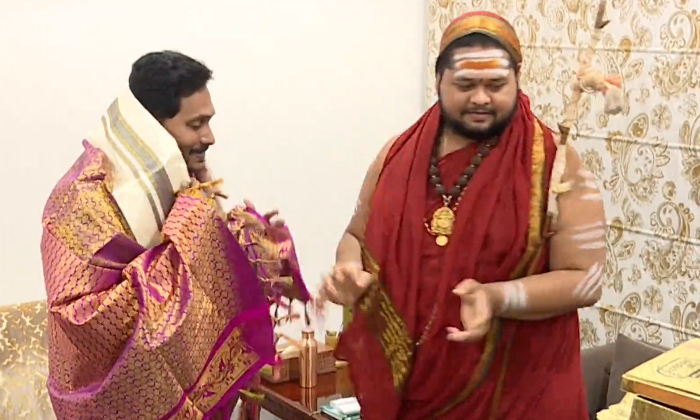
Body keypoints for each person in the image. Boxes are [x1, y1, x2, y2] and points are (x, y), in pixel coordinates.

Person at [320, 11, 606, 420]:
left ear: (518, 78)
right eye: (465, 85)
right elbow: (356, 237)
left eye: (496, 85)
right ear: (439, 80)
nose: (481, 99)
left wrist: (497, 297)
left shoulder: (555, 164)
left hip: (519, 393)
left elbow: (586, 280)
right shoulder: (397, 155)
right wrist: (348, 268)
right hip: (416, 391)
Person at [41, 51, 309, 420]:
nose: (209, 137)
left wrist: (251, 244)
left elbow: (212, 280)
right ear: (151, 129)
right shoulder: (79, 201)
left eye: (209, 122)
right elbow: (86, 321)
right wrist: (194, 222)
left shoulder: (182, 188)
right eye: (196, 124)